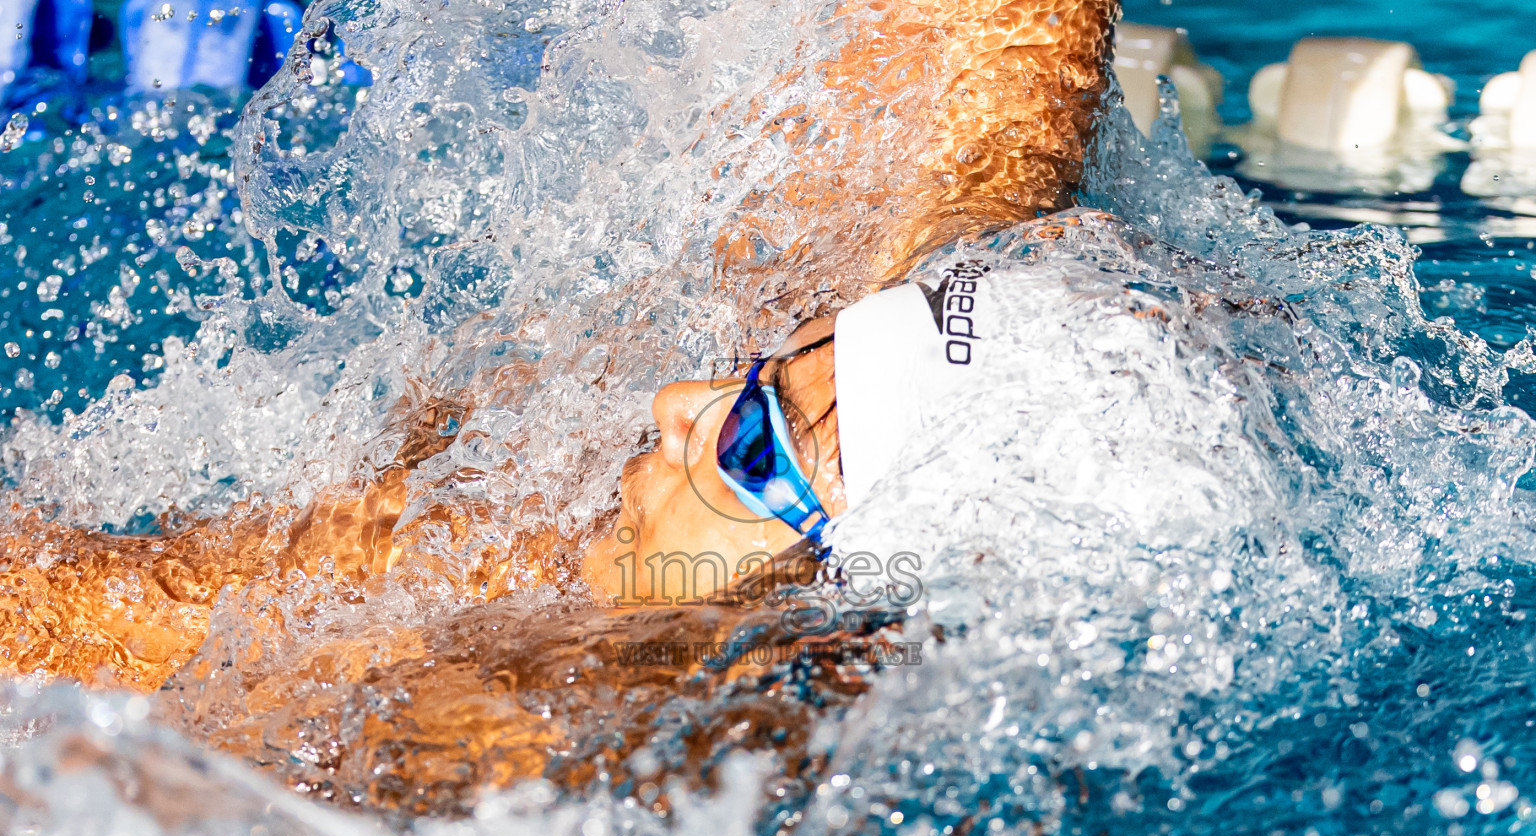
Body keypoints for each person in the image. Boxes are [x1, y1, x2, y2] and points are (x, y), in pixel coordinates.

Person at [0, 0, 1117, 710]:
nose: (679, 399)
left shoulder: (493, 690)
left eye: (748, 436)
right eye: (754, 373)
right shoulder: (686, 544)